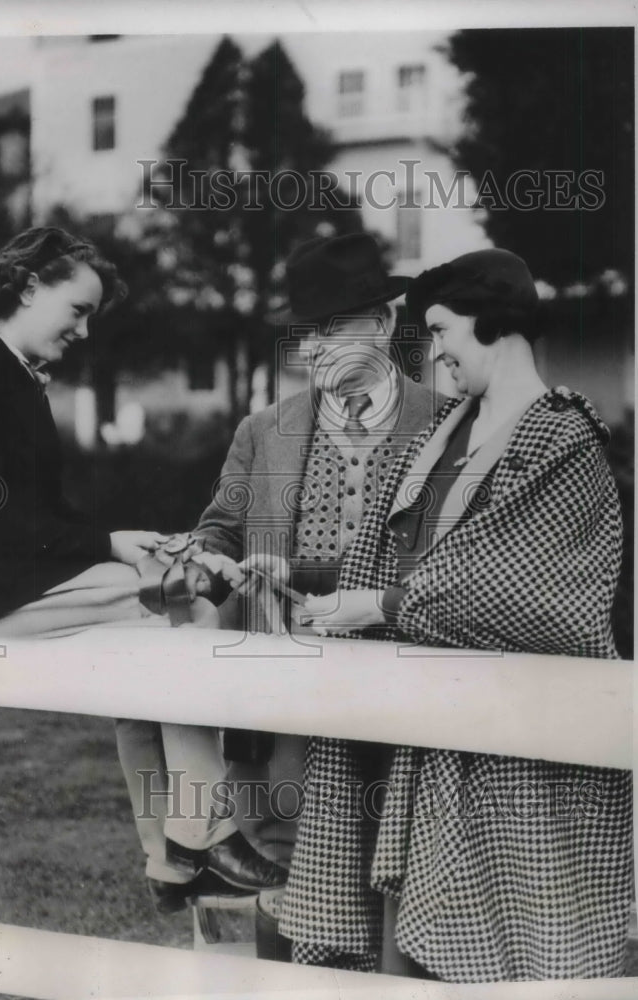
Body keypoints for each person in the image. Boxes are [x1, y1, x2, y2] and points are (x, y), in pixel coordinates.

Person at [0, 225, 285, 912]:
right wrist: (108, 544)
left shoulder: (1, 367)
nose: (83, 331)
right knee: (176, 607)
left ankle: (172, 857)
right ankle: (199, 834)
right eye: (77, 310)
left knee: (155, 630)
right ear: (29, 285)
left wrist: (126, 540)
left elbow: (39, 510)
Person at [278, 249, 633, 980]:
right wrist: (308, 581)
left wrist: (377, 604)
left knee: (512, 948)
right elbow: (393, 551)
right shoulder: (444, 433)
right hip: (415, 726)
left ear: (492, 319)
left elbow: (530, 596)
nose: (432, 351)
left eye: (441, 330)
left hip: (519, 753)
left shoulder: (564, 441)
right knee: (401, 941)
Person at [186, 233, 445, 941]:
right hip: (288, 685)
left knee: (396, 870)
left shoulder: (450, 426)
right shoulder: (265, 430)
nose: (315, 349)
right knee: (287, 866)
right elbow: (219, 531)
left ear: (385, 324)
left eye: (333, 328)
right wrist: (208, 563)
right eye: (307, 333)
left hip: (408, 684)